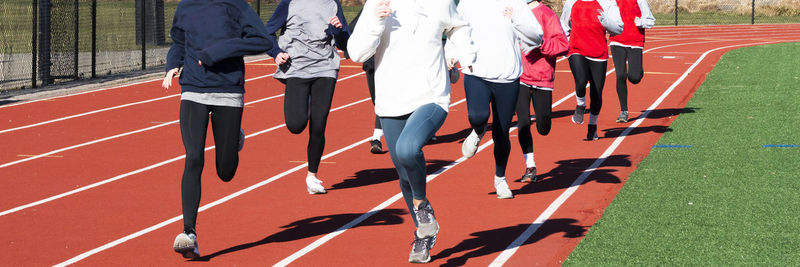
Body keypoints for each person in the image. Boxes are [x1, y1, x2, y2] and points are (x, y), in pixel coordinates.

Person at [347, 0, 477, 263]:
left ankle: (421, 205)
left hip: (431, 96)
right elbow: (357, 53)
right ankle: (423, 234)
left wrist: (463, 53)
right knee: (403, 171)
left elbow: (458, 27)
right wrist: (375, 20)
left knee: (408, 149)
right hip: (391, 101)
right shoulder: (377, 3)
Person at [162, 0, 274, 259]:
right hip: (192, 89)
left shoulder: (235, 6)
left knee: (225, 171)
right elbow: (179, 42)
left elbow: (263, 40)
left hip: (228, 90)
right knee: (193, 158)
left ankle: (234, 138)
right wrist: (172, 64)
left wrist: (221, 50)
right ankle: (188, 233)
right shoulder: (186, 6)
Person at [455, 0, 543, 199]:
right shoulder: (468, 3)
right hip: (476, 71)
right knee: (478, 116)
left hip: (507, 76)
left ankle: (500, 178)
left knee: (501, 132)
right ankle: (478, 131)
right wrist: (452, 55)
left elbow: (536, 36)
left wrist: (517, 20)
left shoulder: (517, 4)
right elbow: (455, 29)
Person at [264, 0, 350, 194]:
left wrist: (339, 30)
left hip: (325, 68)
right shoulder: (289, 2)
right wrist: (276, 52)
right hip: (297, 68)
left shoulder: (333, 3)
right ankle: (305, 104)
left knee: (319, 124)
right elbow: (267, 32)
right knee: (296, 125)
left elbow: (346, 42)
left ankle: (312, 176)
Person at [515, 0, 568, 183]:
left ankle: (543, 125)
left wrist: (540, 44)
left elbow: (562, 45)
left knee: (543, 127)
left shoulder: (546, 14)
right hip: (519, 75)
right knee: (522, 122)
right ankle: (530, 165)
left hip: (542, 77)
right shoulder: (513, 11)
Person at [561, 0, 623, 140]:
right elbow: (564, 25)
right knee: (581, 80)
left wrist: (605, 21)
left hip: (598, 53)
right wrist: (566, 44)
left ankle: (592, 126)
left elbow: (619, 28)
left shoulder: (607, 3)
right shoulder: (571, 2)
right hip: (576, 49)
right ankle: (580, 105)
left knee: (596, 94)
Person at [346, 9, 384, 154]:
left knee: (383, 101)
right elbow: (352, 28)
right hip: (372, 63)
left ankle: (376, 138)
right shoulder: (371, 7)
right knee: (377, 101)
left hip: (391, 64)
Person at [609, 0, 655, 122]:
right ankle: (624, 111)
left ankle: (638, 70)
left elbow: (650, 20)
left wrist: (639, 22)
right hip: (617, 40)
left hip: (635, 42)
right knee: (620, 75)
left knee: (634, 78)